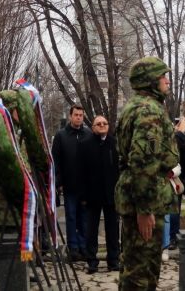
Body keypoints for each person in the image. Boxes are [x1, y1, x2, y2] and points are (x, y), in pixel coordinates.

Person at [115, 56, 179, 290]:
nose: (167, 81)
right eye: (163, 76)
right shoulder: (148, 111)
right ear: (150, 80)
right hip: (144, 201)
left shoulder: (137, 106)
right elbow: (142, 162)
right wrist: (144, 209)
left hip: (140, 197)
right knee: (142, 274)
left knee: (134, 267)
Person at [78, 115, 120, 273]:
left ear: (108, 126)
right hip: (92, 195)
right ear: (93, 127)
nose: (102, 125)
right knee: (91, 230)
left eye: (104, 123)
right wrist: (82, 196)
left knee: (113, 229)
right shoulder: (85, 144)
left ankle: (113, 260)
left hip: (111, 195)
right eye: (98, 124)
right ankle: (92, 261)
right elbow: (80, 172)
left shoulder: (114, 143)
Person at [51, 104, 92, 261]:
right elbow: (56, 160)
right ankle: (73, 247)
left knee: (84, 217)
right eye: (76, 115)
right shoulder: (61, 136)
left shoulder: (88, 134)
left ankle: (83, 246)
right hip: (69, 185)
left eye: (81, 115)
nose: (79, 117)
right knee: (71, 217)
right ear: (70, 116)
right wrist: (58, 182)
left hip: (85, 185)